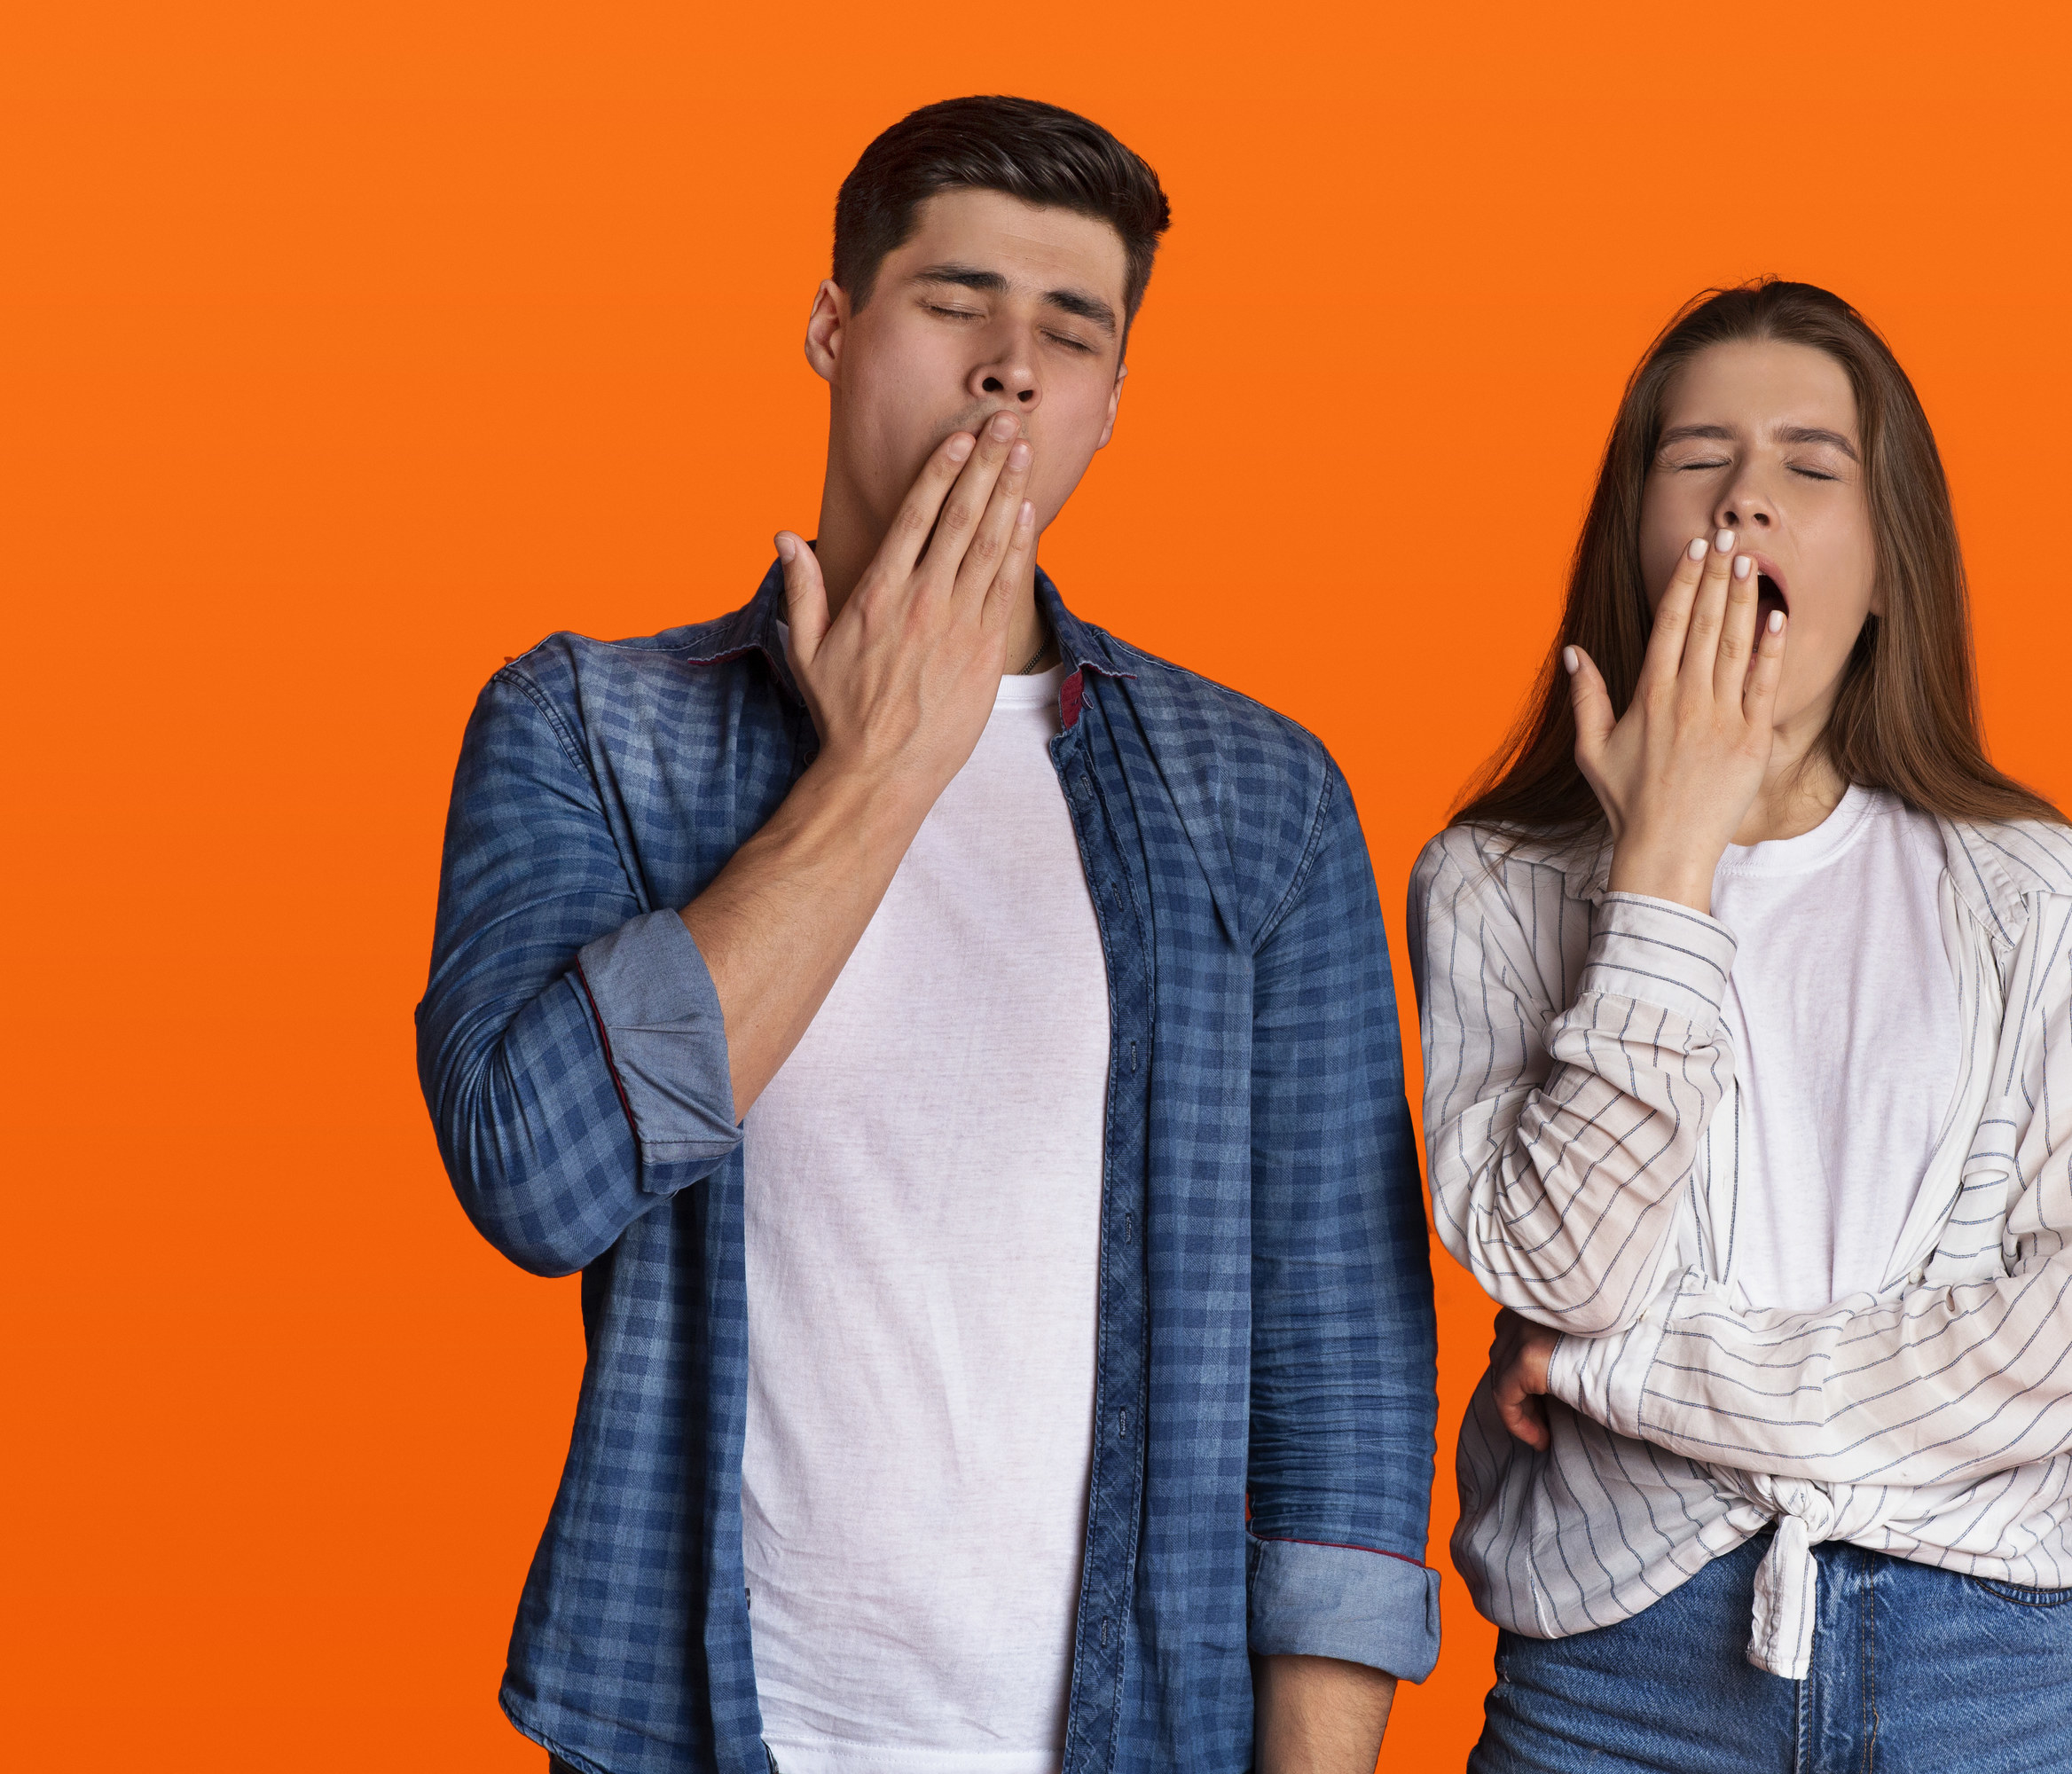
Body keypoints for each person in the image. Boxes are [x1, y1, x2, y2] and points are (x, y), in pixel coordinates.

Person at [416, 96, 1438, 1774]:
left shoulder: (1257, 795)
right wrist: (884, 766)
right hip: (689, 1726)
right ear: (833, 326)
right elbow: (536, 1179)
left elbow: (1341, 1355)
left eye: (1071, 330)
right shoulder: (592, 727)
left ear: (1114, 403)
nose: (1011, 366)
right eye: (957, 300)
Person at [1408, 279, 2072, 1772]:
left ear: (1887, 566)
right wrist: (1667, 867)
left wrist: (1624, 1373)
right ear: (1636, 535)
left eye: (1811, 468)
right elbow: (1558, 1262)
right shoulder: (1495, 882)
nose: (1748, 498)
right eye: (1698, 459)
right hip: (1614, 1680)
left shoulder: (2042, 896)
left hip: (1982, 1675)